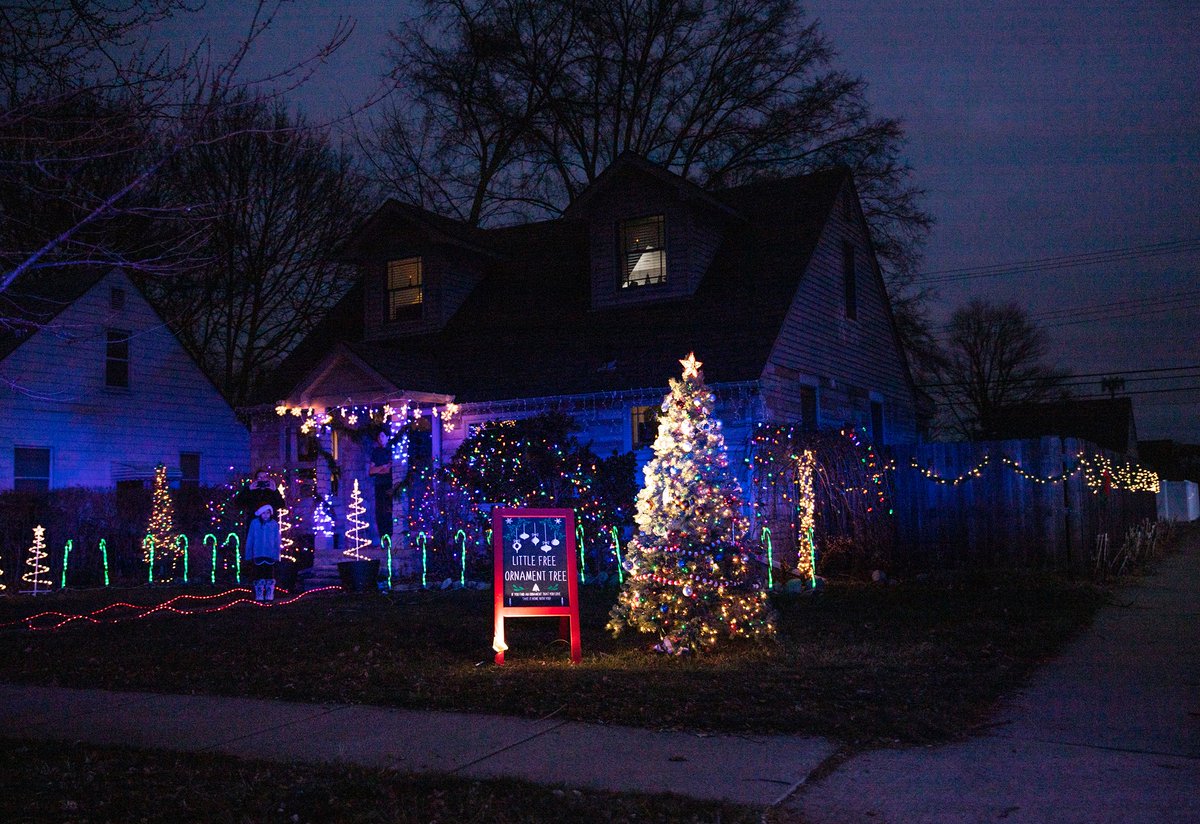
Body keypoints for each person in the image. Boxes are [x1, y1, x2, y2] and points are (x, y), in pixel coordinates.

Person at [234, 469, 285, 601]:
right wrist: (248, 489)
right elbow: (238, 502)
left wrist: (275, 491)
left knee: (268, 563)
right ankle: (258, 590)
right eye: (259, 477)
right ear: (256, 479)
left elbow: (281, 504)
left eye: (265, 477)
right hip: (255, 526)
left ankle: (269, 591)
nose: (262, 480)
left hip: (269, 528)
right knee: (256, 560)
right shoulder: (252, 490)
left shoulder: (271, 491)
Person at [368, 430, 393, 543]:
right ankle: (382, 538)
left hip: (389, 485)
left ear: (387, 437)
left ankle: (390, 537)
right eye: (379, 436)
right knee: (379, 512)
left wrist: (381, 469)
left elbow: (388, 471)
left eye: (382, 436)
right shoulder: (376, 452)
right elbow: (371, 471)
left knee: (388, 510)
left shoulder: (391, 450)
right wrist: (382, 467)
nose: (380, 438)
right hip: (379, 485)